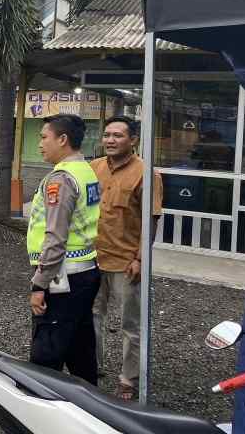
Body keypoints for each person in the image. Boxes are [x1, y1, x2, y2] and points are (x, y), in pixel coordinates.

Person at [90, 116, 163, 401]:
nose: (110, 140)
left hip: (126, 263)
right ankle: (91, 369)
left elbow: (151, 221)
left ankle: (128, 381)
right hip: (93, 258)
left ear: (133, 140)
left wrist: (141, 259)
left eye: (117, 135)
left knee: (131, 325)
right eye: (107, 134)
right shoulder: (94, 168)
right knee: (91, 317)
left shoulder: (147, 173)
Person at [27, 113, 102, 385]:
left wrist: (39, 285)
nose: (40, 144)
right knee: (80, 347)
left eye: (44, 137)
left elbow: (56, 237)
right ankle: (90, 406)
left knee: (46, 353)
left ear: (63, 139)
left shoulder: (61, 179)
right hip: (85, 271)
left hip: (62, 278)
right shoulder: (86, 170)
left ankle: (41, 412)